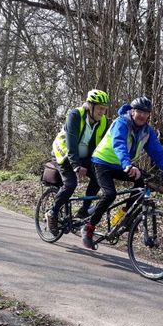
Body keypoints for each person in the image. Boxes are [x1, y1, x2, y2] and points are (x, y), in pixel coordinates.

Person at [82, 96, 163, 249]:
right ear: (132, 111)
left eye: (146, 113)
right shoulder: (121, 123)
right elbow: (119, 144)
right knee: (110, 194)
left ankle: (124, 216)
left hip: (121, 165)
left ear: (149, 115)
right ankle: (89, 227)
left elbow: (158, 154)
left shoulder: (147, 132)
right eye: (139, 111)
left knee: (142, 182)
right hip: (102, 162)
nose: (142, 115)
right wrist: (128, 165)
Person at [45, 89, 110, 235]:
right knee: (71, 184)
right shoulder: (75, 115)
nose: (102, 112)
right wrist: (76, 166)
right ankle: (52, 212)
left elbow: (102, 147)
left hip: (85, 157)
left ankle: (83, 212)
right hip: (64, 153)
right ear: (90, 106)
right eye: (100, 108)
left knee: (99, 178)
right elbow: (71, 144)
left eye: (104, 108)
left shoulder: (103, 122)